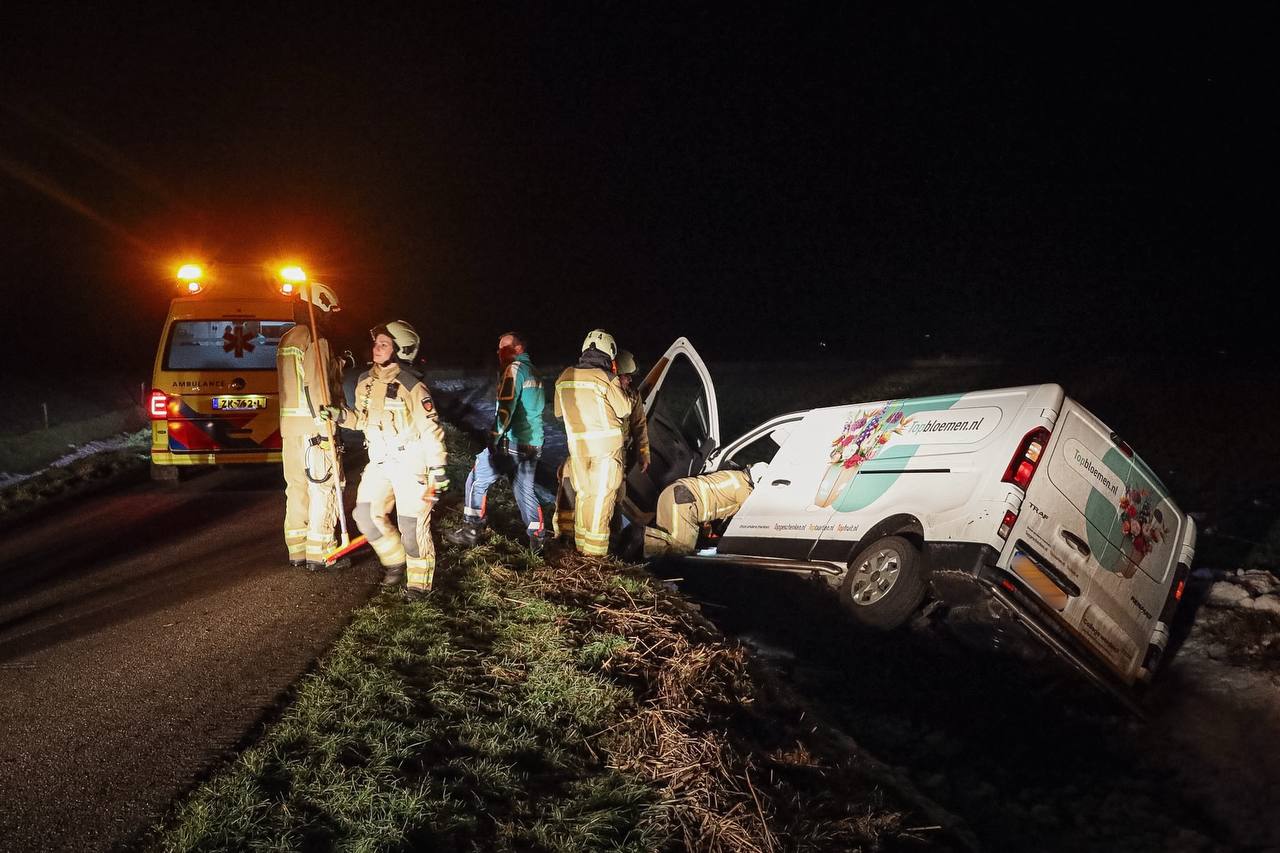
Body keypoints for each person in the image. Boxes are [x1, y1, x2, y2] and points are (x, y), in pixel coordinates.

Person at [320, 320, 449, 599]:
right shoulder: (366, 381)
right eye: (376, 343)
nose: (376, 348)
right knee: (365, 517)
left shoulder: (412, 386)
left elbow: (431, 430)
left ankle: (419, 584)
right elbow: (364, 421)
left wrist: (438, 468)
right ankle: (395, 563)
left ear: (401, 350)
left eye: (384, 344)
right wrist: (340, 415)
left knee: (411, 527)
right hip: (379, 463)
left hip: (411, 465)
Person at [446, 331, 547, 550]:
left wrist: (494, 436)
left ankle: (470, 530)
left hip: (511, 443)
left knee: (476, 480)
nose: (500, 352)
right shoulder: (534, 372)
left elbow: (506, 409)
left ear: (519, 348)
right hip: (533, 444)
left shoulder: (514, 370)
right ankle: (538, 538)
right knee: (525, 491)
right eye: (499, 348)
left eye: (505, 347)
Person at [276, 283, 348, 570]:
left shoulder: (288, 338)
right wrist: (325, 429)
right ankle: (323, 553)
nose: (331, 318)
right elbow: (316, 386)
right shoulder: (317, 339)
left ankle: (297, 550)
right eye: (329, 312)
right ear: (318, 308)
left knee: (296, 488)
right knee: (324, 488)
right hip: (314, 430)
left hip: (290, 430)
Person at [552, 348, 648, 547]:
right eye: (625, 376)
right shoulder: (601, 385)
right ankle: (566, 539)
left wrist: (643, 453)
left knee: (612, 501)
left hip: (612, 454)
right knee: (574, 497)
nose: (628, 380)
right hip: (583, 454)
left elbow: (639, 425)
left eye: (630, 377)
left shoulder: (632, 396)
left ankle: (609, 541)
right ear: (614, 373)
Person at [642, 463, 767, 559]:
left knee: (667, 540)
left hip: (674, 493)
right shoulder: (744, 491)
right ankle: (638, 541)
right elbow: (746, 520)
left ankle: (639, 548)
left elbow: (712, 497)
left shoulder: (735, 475)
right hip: (682, 501)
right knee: (681, 551)